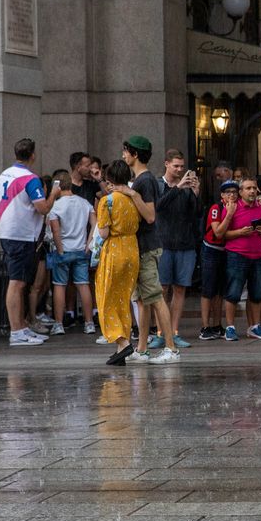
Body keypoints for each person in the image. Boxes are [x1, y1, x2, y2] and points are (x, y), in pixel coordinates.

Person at [112, 136, 177, 361]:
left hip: (147, 246)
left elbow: (149, 216)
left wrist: (132, 194)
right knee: (142, 300)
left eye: (126, 151)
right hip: (141, 247)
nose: (123, 155)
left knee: (155, 297)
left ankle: (171, 347)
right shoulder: (141, 179)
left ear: (135, 154)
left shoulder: (144, 181)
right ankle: (142, 348)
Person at [0, 140, 62, 346]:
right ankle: (16, 331)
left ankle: (21, 327)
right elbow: (42, 208)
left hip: (9, 231)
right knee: (17, 283)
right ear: (32, 155)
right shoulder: (30, 179)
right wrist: (53, 194)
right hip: (21, 234)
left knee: (20, 282)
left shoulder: (4, 174)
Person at [95, 160, 142, 365]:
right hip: (132, 249)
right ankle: (123, 344)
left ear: (109, 180)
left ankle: (121, 341)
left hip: (114, 250)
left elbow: (103, 232)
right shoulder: (133, 198)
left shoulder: (107, 201)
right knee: (124, 298)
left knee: (107, 297)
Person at [154, 150, 201, 349]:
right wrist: (177, 188)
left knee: (180, 288)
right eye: (176, 166)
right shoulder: (157, 185)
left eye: (182, 166)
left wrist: (195, 194)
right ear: (166, 164)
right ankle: (159, 333)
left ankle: (173, 332)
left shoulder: (187, 187)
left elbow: (196, 214)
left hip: (185, 243)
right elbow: (158, 207)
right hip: (163, 244)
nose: (180, 170)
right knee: (162, 289)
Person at [222, 178, 261, 340]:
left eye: (254, 188)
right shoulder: (232, 207)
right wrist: (240, 232)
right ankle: (230, 328)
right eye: (248, 188)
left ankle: (255, 326)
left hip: (259, 254)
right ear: (241, 192)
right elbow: (222, 234)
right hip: (237, 254)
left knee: (257, 293)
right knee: (233, 293)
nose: (252, 191)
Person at [46, 176, 96, 338]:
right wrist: (89, 244)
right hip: (81, 249)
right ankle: (89, 323)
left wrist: (59, 249)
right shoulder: (84, 203)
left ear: (58, 187)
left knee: (59, 285)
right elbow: (95, 224)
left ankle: (59, 324)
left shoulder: (55, 206)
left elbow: (55, 230)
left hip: (63, 250)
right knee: (83, 285)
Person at [198, 180, 238, 340]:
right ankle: (205, 326)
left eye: (234, 192)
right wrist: (228, 215)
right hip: (211, 250)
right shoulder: (216, 208)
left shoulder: (239, 207)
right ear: (222, 194)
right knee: (208, 289)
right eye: (228, 192)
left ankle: (217, 324)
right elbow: (218, 232)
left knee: (221, 290)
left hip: (226, 251)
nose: (232, 195)